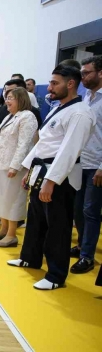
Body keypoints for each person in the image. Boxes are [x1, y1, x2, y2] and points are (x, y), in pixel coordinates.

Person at [7, 65, 95, 290]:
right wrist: (27, 170)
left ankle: (55, 275)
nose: (51, 87)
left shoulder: (80, 112)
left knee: (58, 225)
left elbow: (69, 150)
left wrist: (51, 181)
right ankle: (31, 257)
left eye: (55, 83)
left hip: (60, 176)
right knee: (36, 218)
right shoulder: (60, 108)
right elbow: (43, 143)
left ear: (71, 84)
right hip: (41, 169)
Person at [0, 87, 38, 247]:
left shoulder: (28, 117)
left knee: (13, 199)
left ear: (20, 99)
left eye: (11, 98)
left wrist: (15, 166)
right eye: (6, 97)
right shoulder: (10, 116)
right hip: (2, 163)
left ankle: (12, 234)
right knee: (1, 197)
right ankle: (3, 228)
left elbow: (24, 144)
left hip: (16, 166)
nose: (7, 101)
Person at [71, 55, 102, 274]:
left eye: (86, 73)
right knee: (78, 210)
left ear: (100, 73)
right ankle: (82, 244)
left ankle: (87, 256)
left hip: (96, 165)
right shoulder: (86, 98)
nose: (82, 77)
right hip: (81, 161)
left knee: (91, 211)